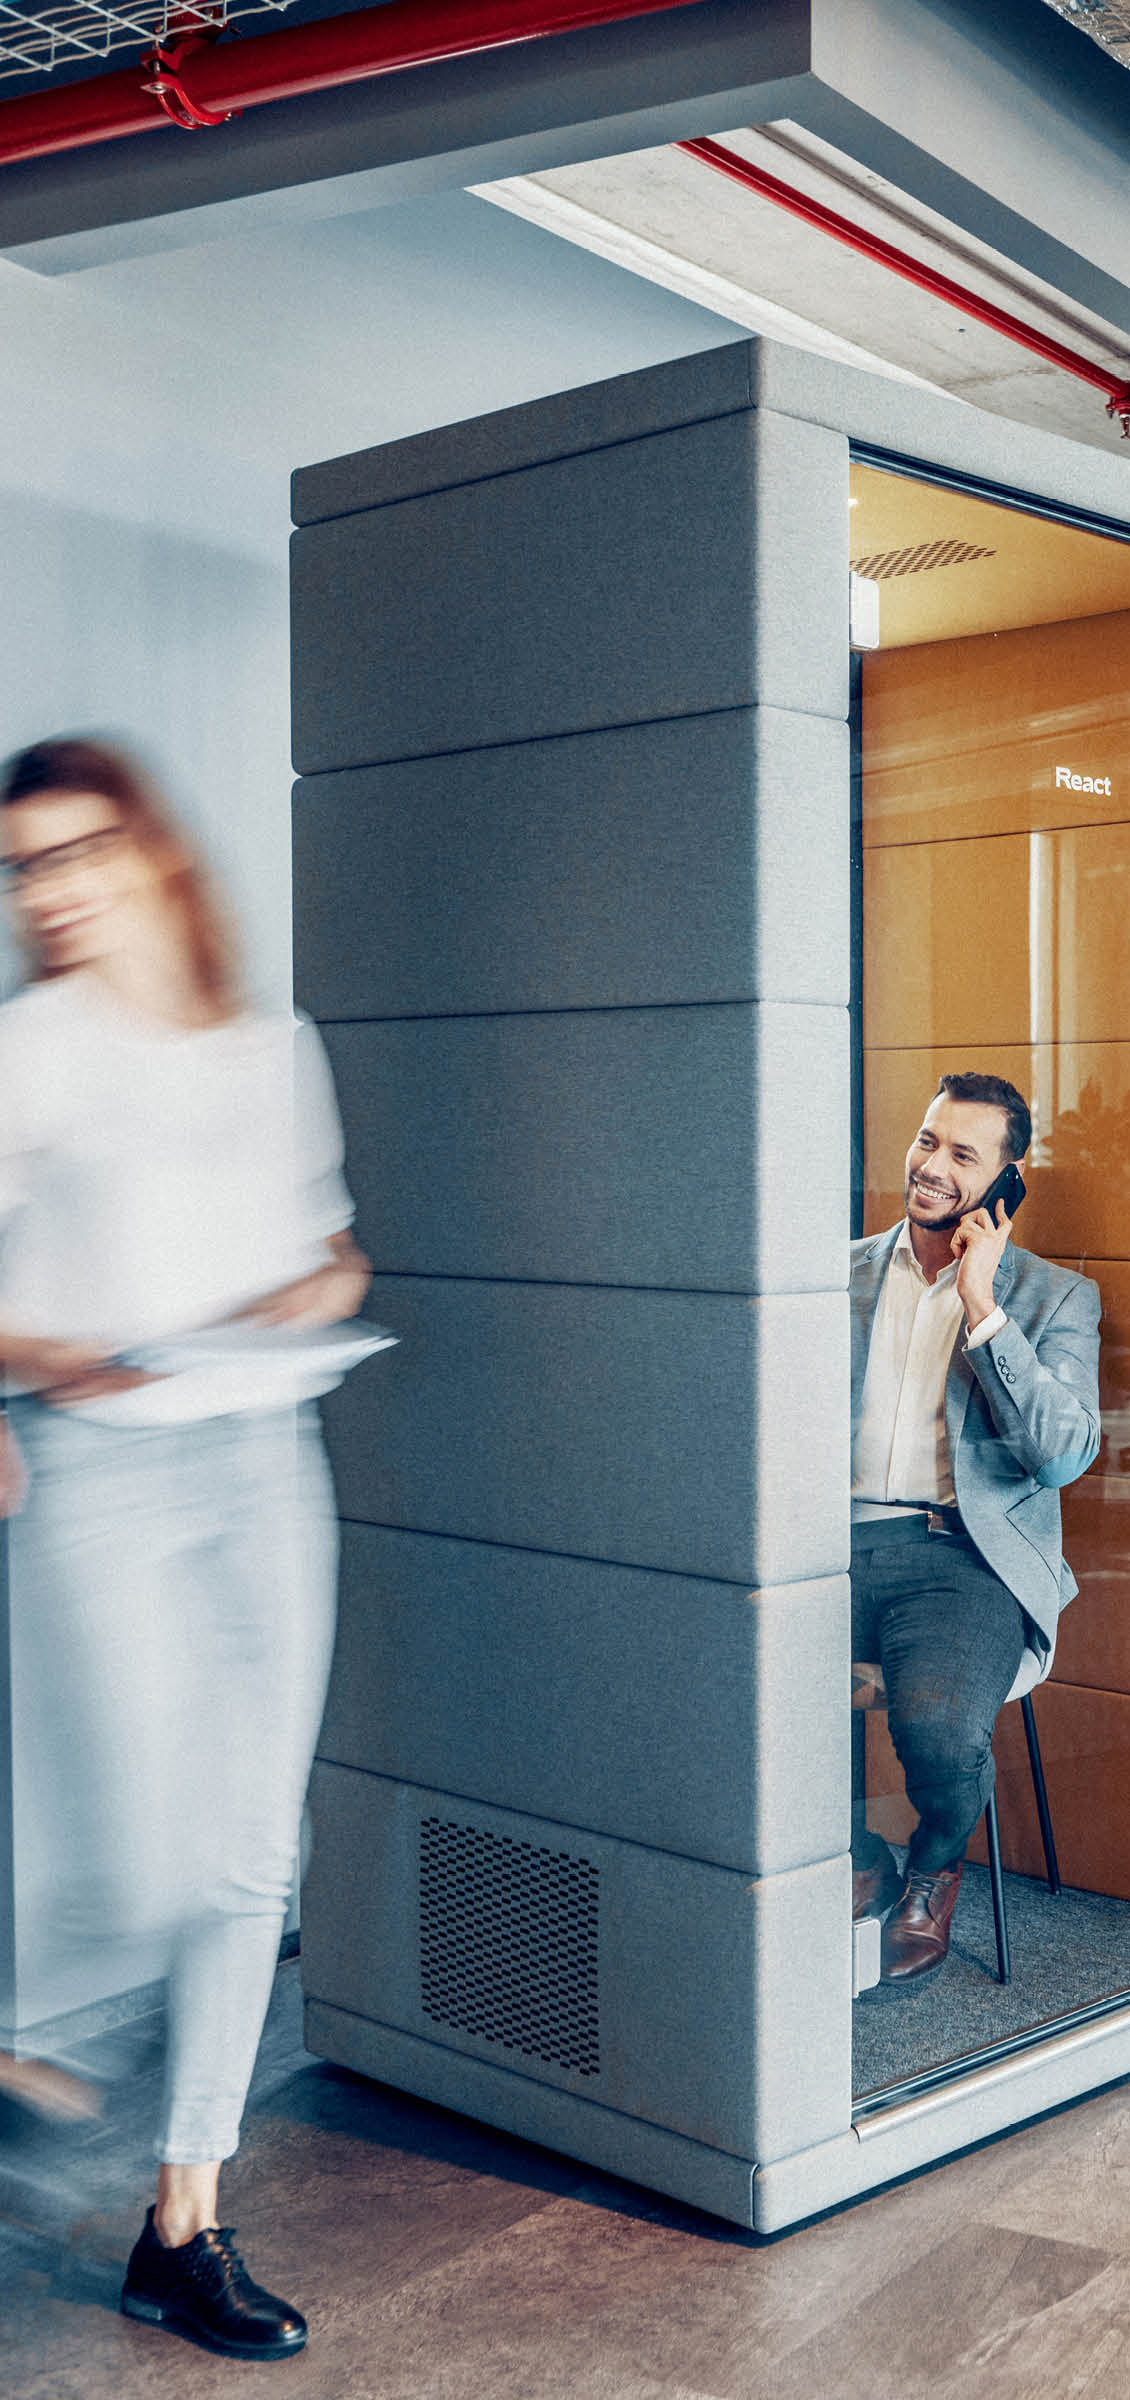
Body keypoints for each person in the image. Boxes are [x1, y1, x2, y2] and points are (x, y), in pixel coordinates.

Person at [0, 736, 369, 2360]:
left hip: (264, 1450)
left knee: (247, 1857)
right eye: (27, 869)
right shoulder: (37, 1047)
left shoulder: (265, 1044)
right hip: (106, 1466)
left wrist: (310, 1295)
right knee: (143, 1853)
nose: (57, 890)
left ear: (153, 850)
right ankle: (16, 2049)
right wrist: (38, 1376)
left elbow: (332, 1249)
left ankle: (184, 2225)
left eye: (82, 850)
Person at [851, 1072, 1101, 1992]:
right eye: (927, 1142)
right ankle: (857, 1856)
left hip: (961, 1556)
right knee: (721, 1683)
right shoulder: (835, 1272)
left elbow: (1062, 1454)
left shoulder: (1053, 1299)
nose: (931, 1167)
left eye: (963, 1155)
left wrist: (983, 1305)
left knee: (938, 1726)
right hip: (829, 1548)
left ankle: (933, 1868)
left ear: (1006, 1179)